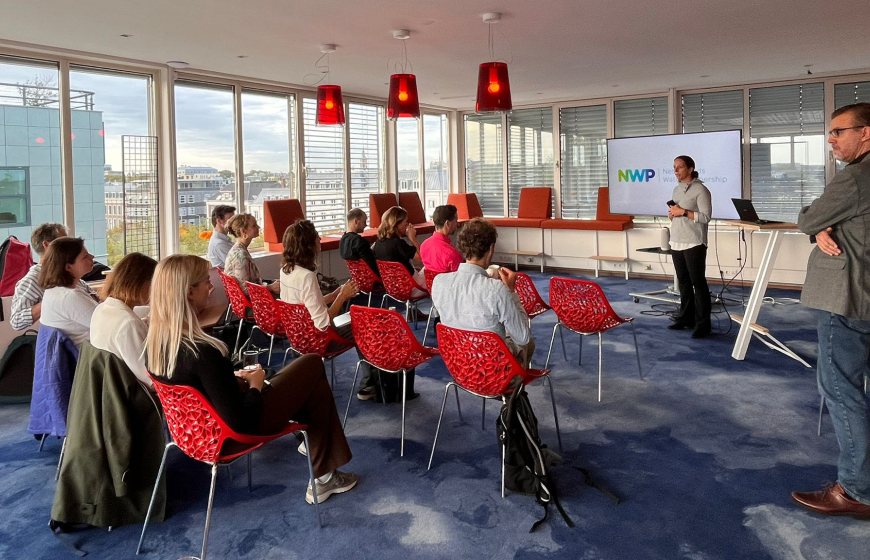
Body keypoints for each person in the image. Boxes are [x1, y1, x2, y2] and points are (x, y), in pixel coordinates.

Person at [146, 254, 357, 504]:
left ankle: (322, 470)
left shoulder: (157, 347)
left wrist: (234, 379)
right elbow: (241, 421)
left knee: (313, 386)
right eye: (205, 281)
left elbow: (203, 390)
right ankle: (322, 475)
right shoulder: (202, 352)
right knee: (311, 364)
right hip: (238, 430)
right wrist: (255, 385)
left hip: (196, 434)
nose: (211, 286)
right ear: (189, 292)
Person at [791, 102, 870, 519]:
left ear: (866, 133)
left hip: (848, 298)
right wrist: (825, 225)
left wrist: (818, 224)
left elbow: (807, 218)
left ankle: (856, 489)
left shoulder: (855, 177)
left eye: (839, 131)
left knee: (841, 390)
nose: (831, 139)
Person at [281, 220, 410, 402]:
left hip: (298, 336)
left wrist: (334, 295)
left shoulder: (287, 270)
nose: (319, 239)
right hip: (317, 339)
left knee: (357, 319)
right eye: (316, 237)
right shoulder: (307, 276)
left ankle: (373, 381)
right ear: (308, 245)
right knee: (365, 325)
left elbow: (306, 305)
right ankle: (369, 384)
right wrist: (342, 296)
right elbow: (323, 322)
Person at [431, 218, 534, 368]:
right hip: (491, 368)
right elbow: (523, 337)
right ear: (491, 248)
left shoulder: (439, 282)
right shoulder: (497, 289)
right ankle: (514, 389)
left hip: (459, 364)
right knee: (528, 343)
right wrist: (511, 291)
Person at [90, 252, 158, 388]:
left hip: (110, 390)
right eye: (155, 284)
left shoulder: (101, 309)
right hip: (136, 399)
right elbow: (150, 379)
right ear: (139, 284)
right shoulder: (128, 323)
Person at [9, 223, 89, 331]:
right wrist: (50, 303)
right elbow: (16, 321)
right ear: (47, 245)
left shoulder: (65, 271)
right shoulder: (31, 280)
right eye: (64, 242)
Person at [667, 155, 712, 338]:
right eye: (674, 167)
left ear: (690, 169)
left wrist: (684, 212)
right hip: (677, 240)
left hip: (694, 241)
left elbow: (706, 217)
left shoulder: (701, 190)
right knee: (683, 283)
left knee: (698, 283)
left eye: (680, 167)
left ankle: (703, 324)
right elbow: (677, 212)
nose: (676, 171)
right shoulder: (676, 190)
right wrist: (672, 214)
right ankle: (686, 318)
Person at [38, 237, 99, 347]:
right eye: (85, 256)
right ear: (68, 267)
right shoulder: (69, 296)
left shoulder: (56, 290)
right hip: (87, 360)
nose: (92, 257)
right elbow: (109, 326)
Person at [372, 206, 426, 298]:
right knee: (434, 267)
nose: (407, 225)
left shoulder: (378, 243)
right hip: (411, 287)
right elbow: (422, 259)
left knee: (417, 269)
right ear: (397, 224)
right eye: (405, 222)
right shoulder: (398, 243)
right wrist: (412, 238)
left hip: (392, 287)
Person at [224, 213, 278, 295]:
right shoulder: (241, 256)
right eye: (254, 225)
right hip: (251, 303)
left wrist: (271, 283)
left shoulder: (237, 250)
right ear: (243, 231)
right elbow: (245, 290)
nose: (258, 227)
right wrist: (270, 287)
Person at [420, 204, 463, 274]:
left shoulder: (424, 245)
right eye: (456, 221)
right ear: (447, 223)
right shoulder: (451, 253)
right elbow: (461, 278)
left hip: (430, 284)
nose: (457, 224)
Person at [340, 208, 379, 277]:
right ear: (356, 221)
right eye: (364, 222)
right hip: (371, 277)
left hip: (358, 278)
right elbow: (372, 265)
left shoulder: (343, 239)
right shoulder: (360, 241)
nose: (366, 225)